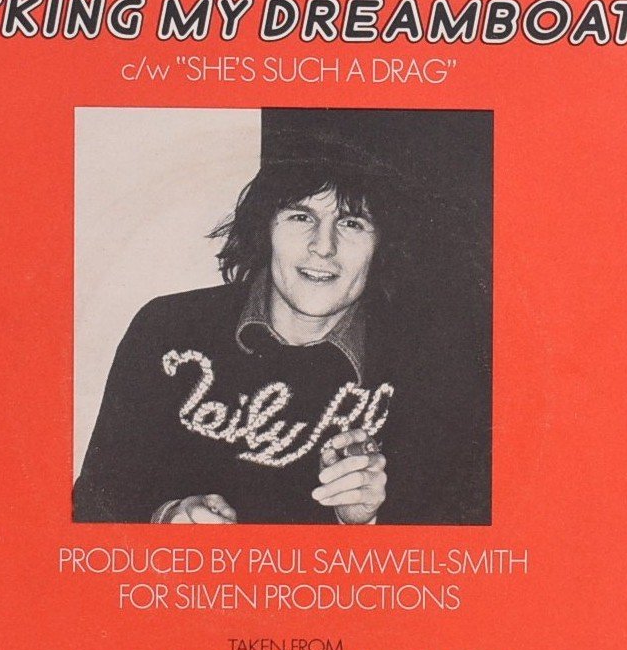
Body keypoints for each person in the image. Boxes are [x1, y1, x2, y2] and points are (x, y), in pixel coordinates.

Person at [72, 140, 487, 524]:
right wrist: (167, 518)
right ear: (265, 229)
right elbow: (95, 503)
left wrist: (363, 522)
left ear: (380, 246)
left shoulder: (429, 360)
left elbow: (453, 544)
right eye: (301, 217)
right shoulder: (168, 327)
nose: (323, 246)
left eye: (352, 223)